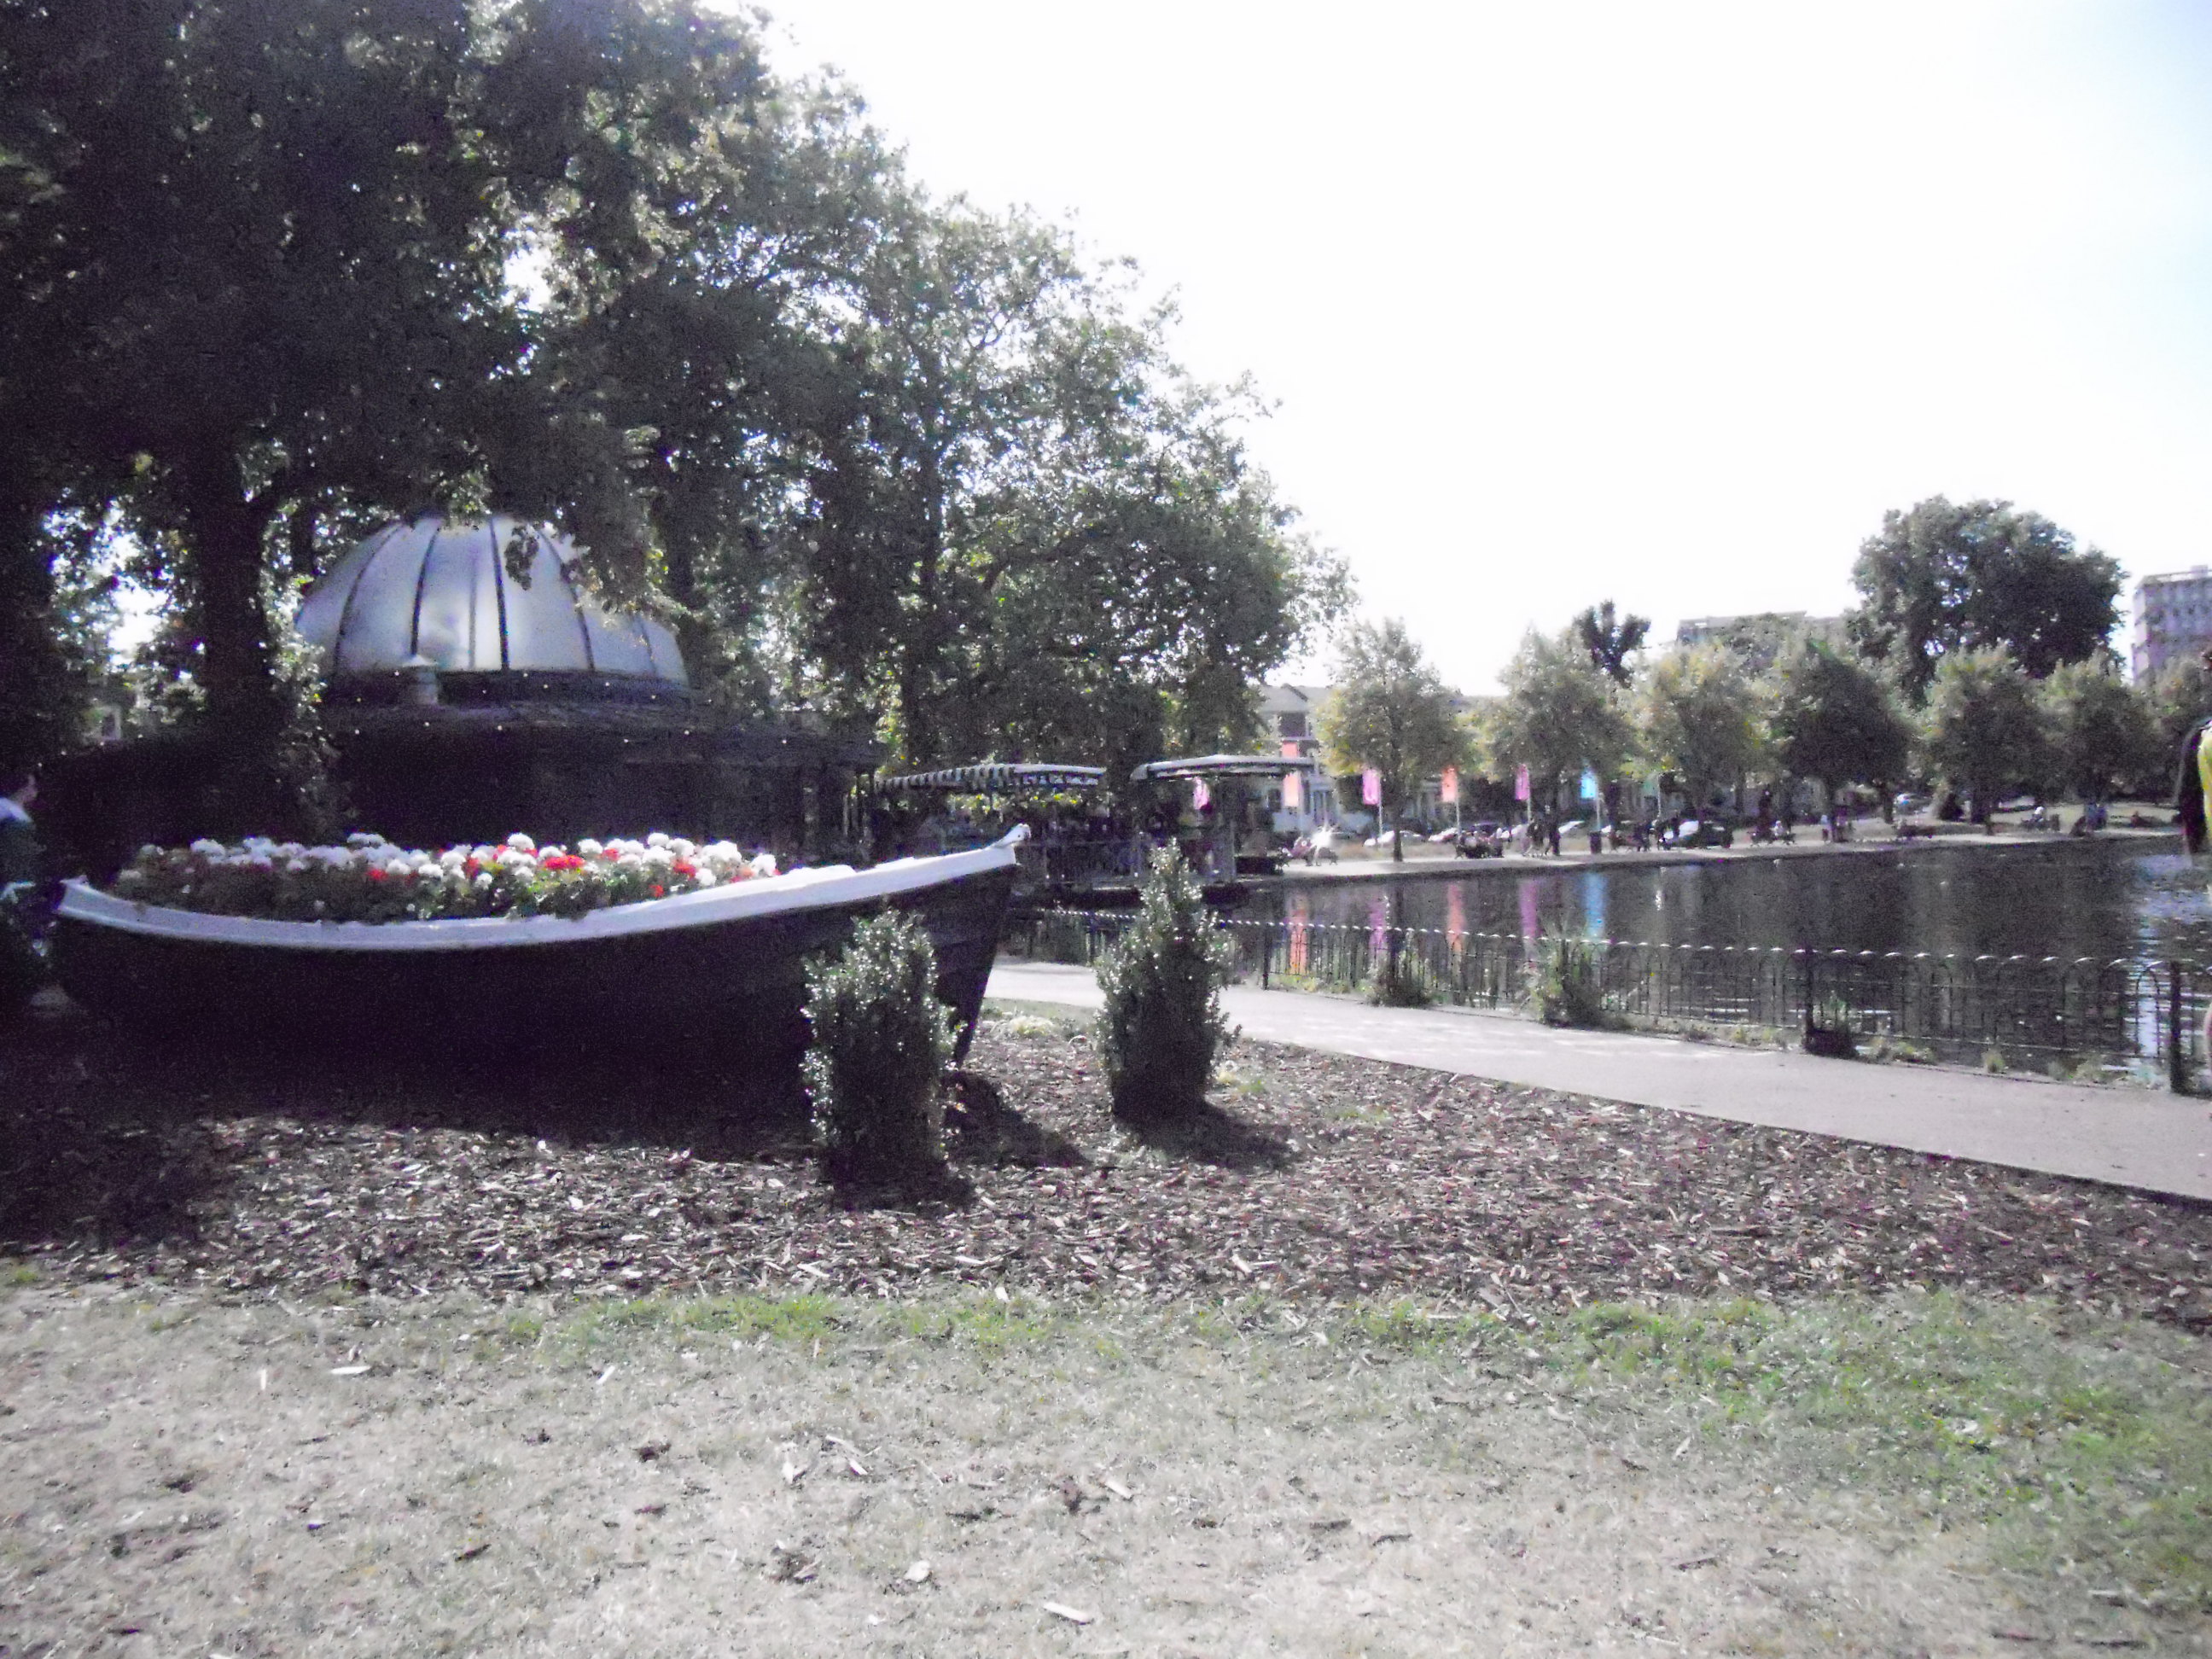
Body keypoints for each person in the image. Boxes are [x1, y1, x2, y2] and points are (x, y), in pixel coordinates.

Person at [0, 768, 39, 891]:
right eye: (33, 786)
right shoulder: (3, 806)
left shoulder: (25, 815)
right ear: (23, 788)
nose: (35, 790)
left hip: (14, 871)